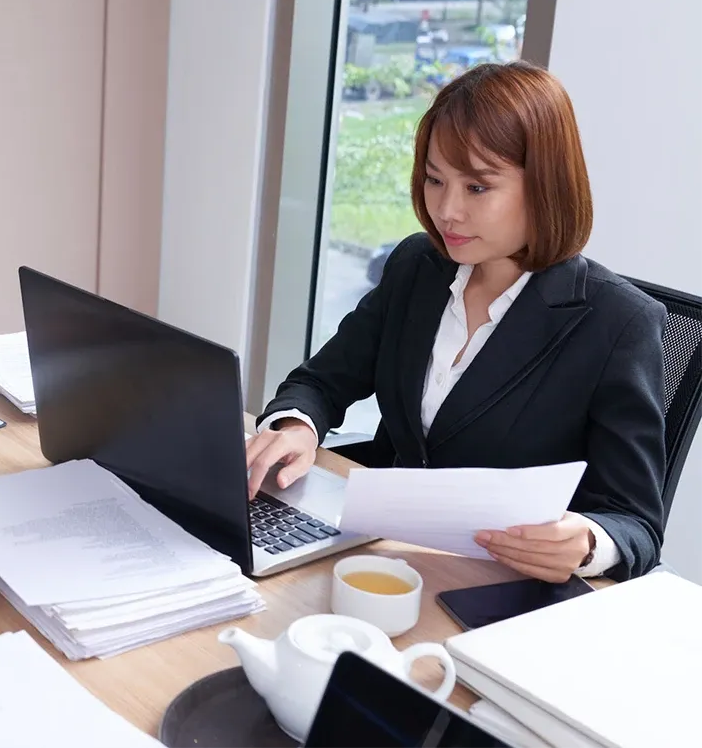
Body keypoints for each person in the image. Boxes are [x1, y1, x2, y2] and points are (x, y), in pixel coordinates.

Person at [247, 62, 666, 583]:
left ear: (546, 186)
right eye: (435, 179)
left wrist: (587, 543)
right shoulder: (417, 268)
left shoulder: (620, 324)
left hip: (502, 586)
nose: (446, 210)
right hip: (386, 560)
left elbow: (636, 523)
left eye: (477, 188)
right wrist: (297, 427)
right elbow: (321, 382)